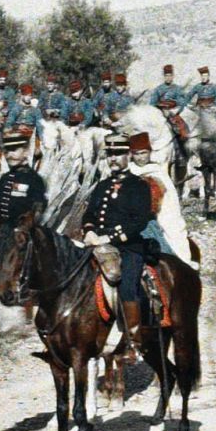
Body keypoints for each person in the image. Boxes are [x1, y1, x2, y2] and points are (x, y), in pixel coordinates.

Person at [80, 132, 159, 361]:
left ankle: (133, 344)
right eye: (110, 154)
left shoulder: (139, 185)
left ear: (128, 155)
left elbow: (139, 221)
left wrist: (111, 238)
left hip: (128, 246)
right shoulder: (102, 185)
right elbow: (90, 213)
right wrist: (90, 230)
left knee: (127, 286)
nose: (114, 159)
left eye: (119, 154)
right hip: (97, 244)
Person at [129, 131, 194, 267]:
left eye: (144, 153)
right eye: (136, 154)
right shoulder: (128, 172)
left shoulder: (158, 173)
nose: (140, 158)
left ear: (150, 152)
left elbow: (169, 205)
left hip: (151, 220)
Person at [0, 125, 49, 232]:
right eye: (7, 151)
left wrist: (23, 229)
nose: (10, 154)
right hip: (2, 234)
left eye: (15, 149)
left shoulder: (33, 179)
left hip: (23, 236)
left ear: (26, 151)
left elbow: (38, 209)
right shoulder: (5, 178)